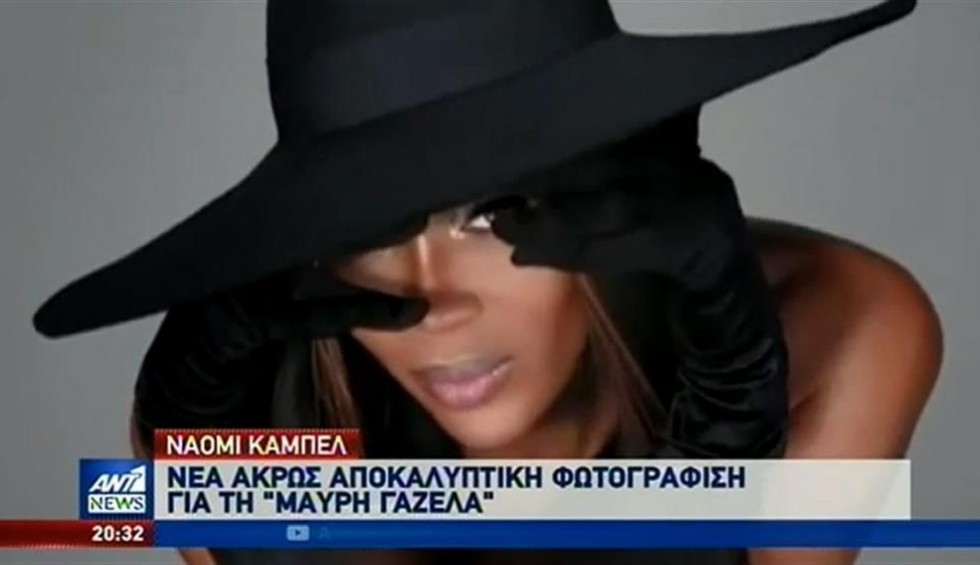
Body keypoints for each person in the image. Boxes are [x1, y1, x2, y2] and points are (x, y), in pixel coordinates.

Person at [31, 1, 934, 564]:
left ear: (614, 172)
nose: (432, 302)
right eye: (368, 229)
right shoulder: (259, 399)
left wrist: (728, 423)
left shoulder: (843, 326)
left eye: (489, 213)